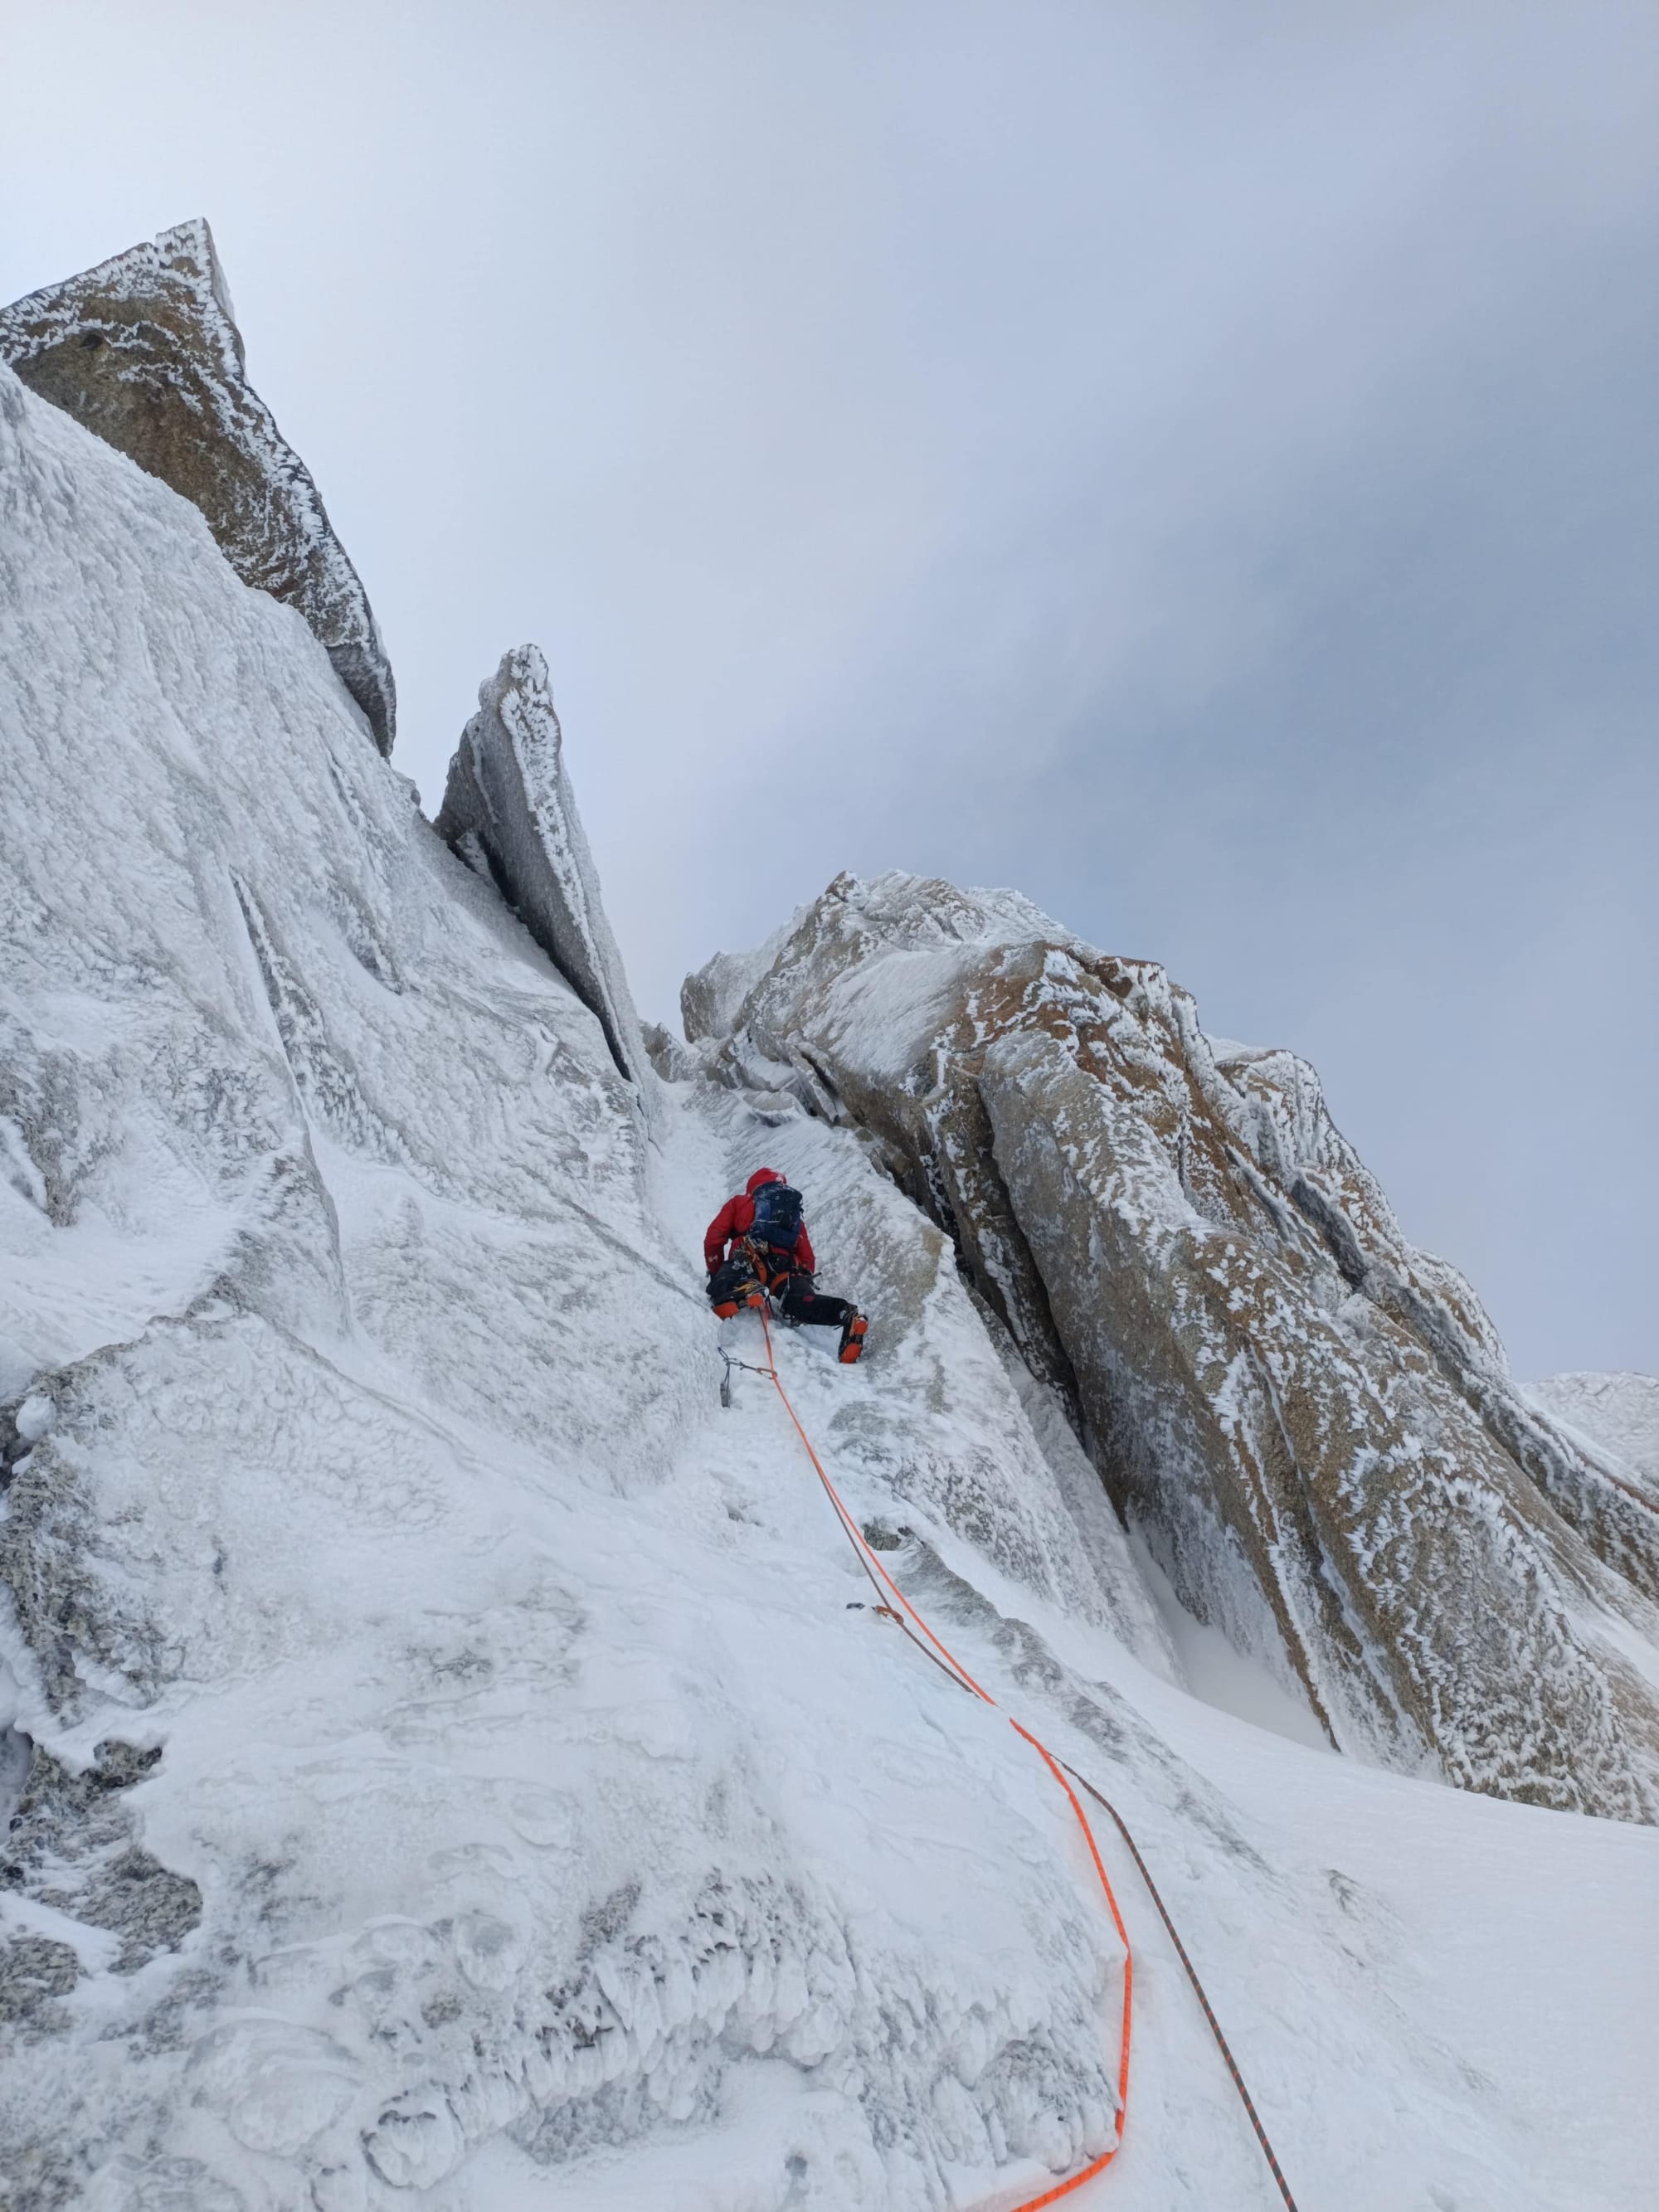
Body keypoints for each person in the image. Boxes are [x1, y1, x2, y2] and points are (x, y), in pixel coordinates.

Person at [704, 1168, 868, 1364]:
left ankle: (744, 1287)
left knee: (724, 1282)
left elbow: (714, 1239)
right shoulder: (793, 1214)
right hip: (785, 1267)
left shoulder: (740, 1202)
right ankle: (844, 1313)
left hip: (749, 1257)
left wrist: (717, 1272)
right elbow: (807, 1258)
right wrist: (801, 1280)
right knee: (800, 1302)